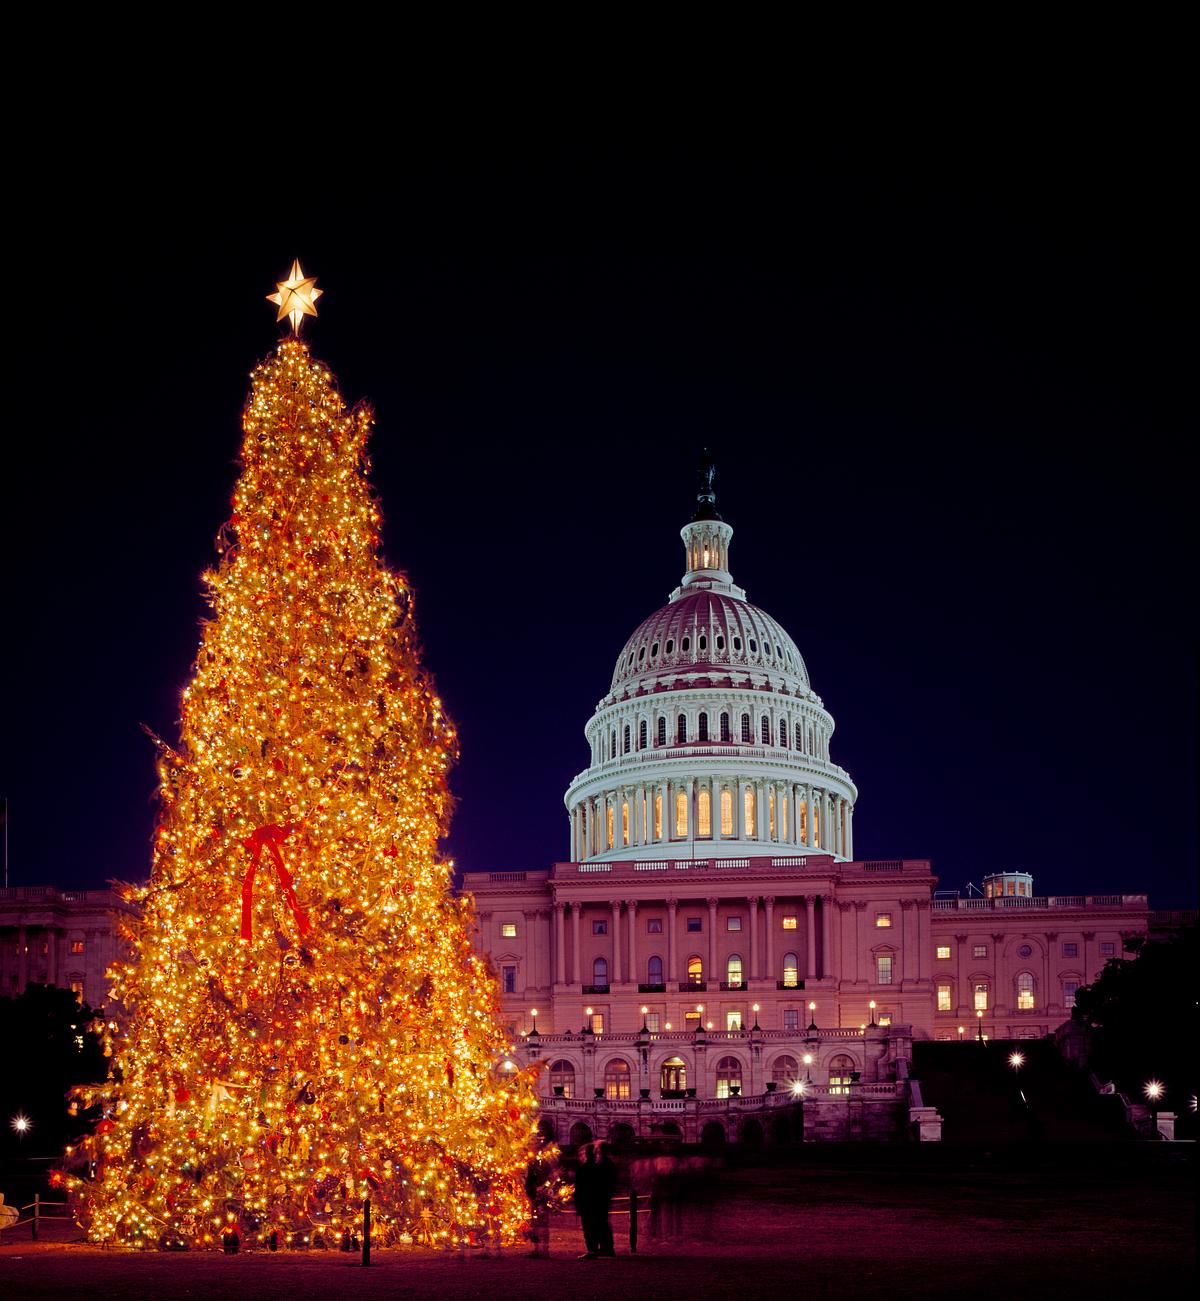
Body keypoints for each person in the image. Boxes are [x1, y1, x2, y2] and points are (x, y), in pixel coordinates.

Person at [524, 1137, 555, 1258]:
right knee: (536, 1223)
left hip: (540, 1195)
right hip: (535, 1194)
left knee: (541, 1223)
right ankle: (539, 1249)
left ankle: (543, 1249)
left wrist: (541, 1188)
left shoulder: (540, 1163)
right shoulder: (534, 1163)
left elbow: (548, 1178)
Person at [574, 1142, 599, 1258]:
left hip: (586, 1201)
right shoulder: (596, 1166)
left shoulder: (585, 1168)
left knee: (588, 1226)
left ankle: (592, 1250)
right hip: (594, 1200)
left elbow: (580, 1187)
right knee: (593, 1225)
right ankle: (594, 1248)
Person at [593, 1141, 618, 1257]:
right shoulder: (607, 1162)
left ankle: (606, 1247)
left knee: (601, 1221)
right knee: (602, 1221)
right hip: (604, 1194)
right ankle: (605, 1246)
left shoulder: (603, 1163)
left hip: (601, 1195)